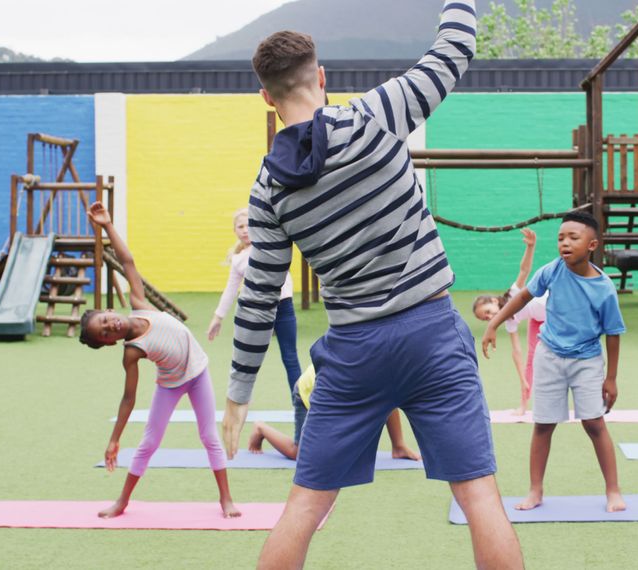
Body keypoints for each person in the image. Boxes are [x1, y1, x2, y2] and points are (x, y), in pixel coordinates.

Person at [222, 1, 524, 567]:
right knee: (479, 496)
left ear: (266, 97)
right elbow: (454, 49)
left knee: (304, 509)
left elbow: (259, 296)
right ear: (322, 77)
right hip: (432, 333)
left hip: (353, 353)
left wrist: (239, 395)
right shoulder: (376, 114)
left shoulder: (267, 192)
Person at [79, 201, 240, 519]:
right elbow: (128, 398)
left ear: (111, 311)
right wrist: (114, 440)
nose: (110, 326)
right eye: (105, 333)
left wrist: (108, 225)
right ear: (110, 343)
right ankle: (122, 502)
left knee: (209, 436)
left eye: (106, 320)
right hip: (170, 384)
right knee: (149, 442)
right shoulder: (132, 352)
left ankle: (226, 500)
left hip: (197, 372)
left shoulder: (139, 303)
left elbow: (127, 260)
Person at [481, 212, 627, 513]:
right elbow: (522, 297)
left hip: (586, 361)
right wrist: (494, 322)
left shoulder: (604, 288)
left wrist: (611, 378)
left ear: (592, 245)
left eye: (574, 238)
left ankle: (613, 490)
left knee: (594, 424)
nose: (565, 243)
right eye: (561, 238)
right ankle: (535, 490)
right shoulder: (553, 270)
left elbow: (613, 334)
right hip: (549, 355)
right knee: (543, 425)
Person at [208, 207, 302, 419]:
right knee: (248, 361)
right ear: (235, 231)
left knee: (290, 356)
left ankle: (300, 404)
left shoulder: (269, 245)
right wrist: (218, 317)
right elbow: (231, 289)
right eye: (240, 226)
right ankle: (241, 404)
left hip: (283, 306)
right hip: (256, 312)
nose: (245, 230)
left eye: (249, 225)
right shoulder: (238, 259)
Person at [248, 365, 421, 461]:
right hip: (307, 395)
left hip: (331, 392)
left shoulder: (377, 366)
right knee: (299, 454)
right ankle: (261, 428)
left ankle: (398, 447)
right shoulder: (348, 373)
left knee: (387, 393)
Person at [472, 228, 546, 415]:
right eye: (485, 318)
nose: (489, 318)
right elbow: (517, 351)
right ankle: (524, 405)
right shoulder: (508, 323)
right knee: (531, 359)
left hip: (554, 311)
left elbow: (524, 270)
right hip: (537, 319)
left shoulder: (513, 294)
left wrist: (530, 246)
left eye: (488, 312)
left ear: (495, 301)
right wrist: (522, 378)